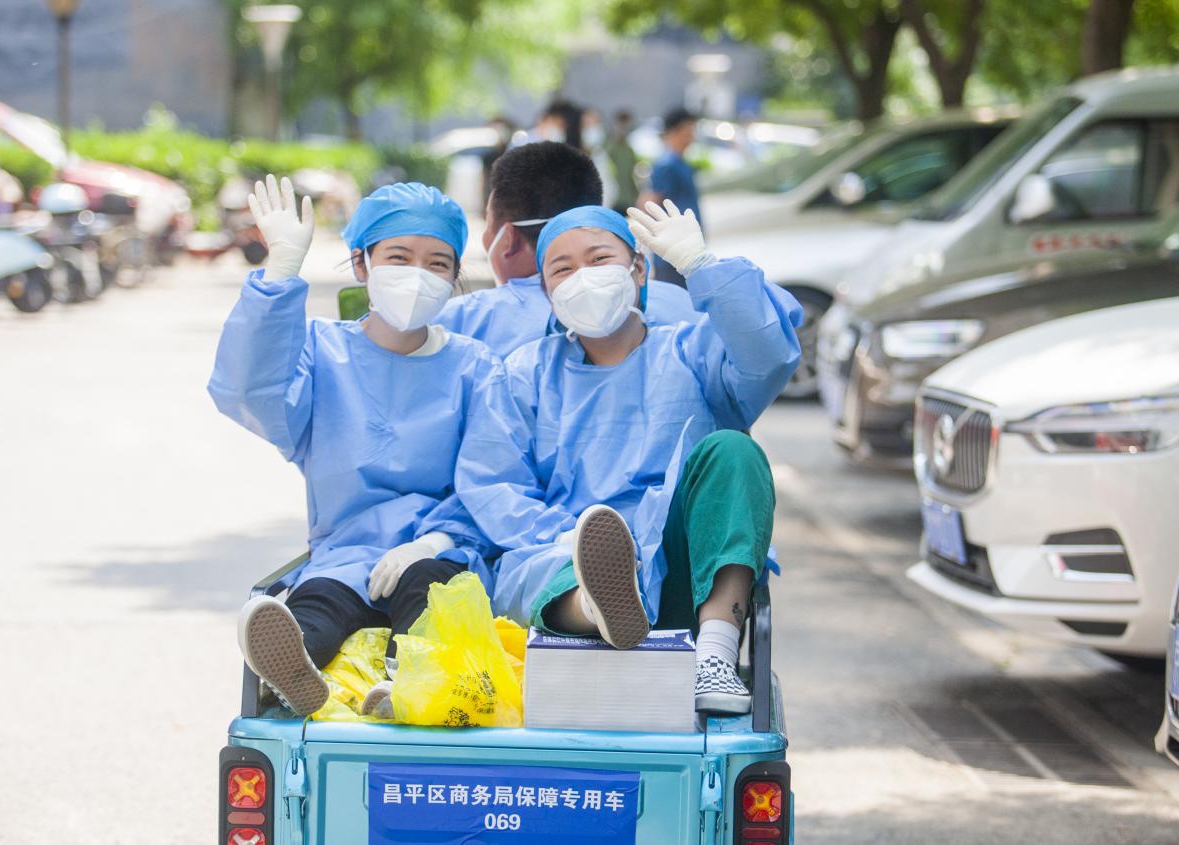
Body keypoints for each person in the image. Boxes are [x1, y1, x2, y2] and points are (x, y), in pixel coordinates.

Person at [457, 202, 802, 714]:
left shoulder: (692, 352)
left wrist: (702, 266)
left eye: (599, 259)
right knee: (535, 570)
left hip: (682, 566)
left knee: (735, 450)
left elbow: (767, 356)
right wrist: (567, 538)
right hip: (561, 554)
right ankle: (599, 606)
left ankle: (714, 656)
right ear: (547, 292)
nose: (583, 278)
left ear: (639, 270)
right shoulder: (525, 373)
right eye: (563, 269)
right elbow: (492, 481)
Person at [208, 176, 500, 717]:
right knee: (319, 602)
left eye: (437, 263)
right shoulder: (321, 352)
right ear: (362, 264)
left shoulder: (476, 368)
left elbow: (494, 477)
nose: (418, 275)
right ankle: (293, 670)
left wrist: (437, 539)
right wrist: (279, 274)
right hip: (346, 552)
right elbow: (251, 393)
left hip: (439, 550)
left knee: (429, 594)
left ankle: (406, 685)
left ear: (454, 275)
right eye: (399, 257)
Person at [433, 141, 700, 358]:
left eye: (598, 258)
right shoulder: (682, 305)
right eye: (562, 268)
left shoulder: (461, 323)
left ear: (507, 239)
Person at [641, 108, 701, 286]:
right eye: (688, 132)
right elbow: (650, 202)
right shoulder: (666, 164)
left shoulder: (679, 162)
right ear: (674, 131)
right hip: (673, 252)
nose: (692, 137)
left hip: (686, 248)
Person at [606, 110, 639, 215]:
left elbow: (632, 175)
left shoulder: (629, 150)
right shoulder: (608, 148)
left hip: (628, 200)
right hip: (612, 200)